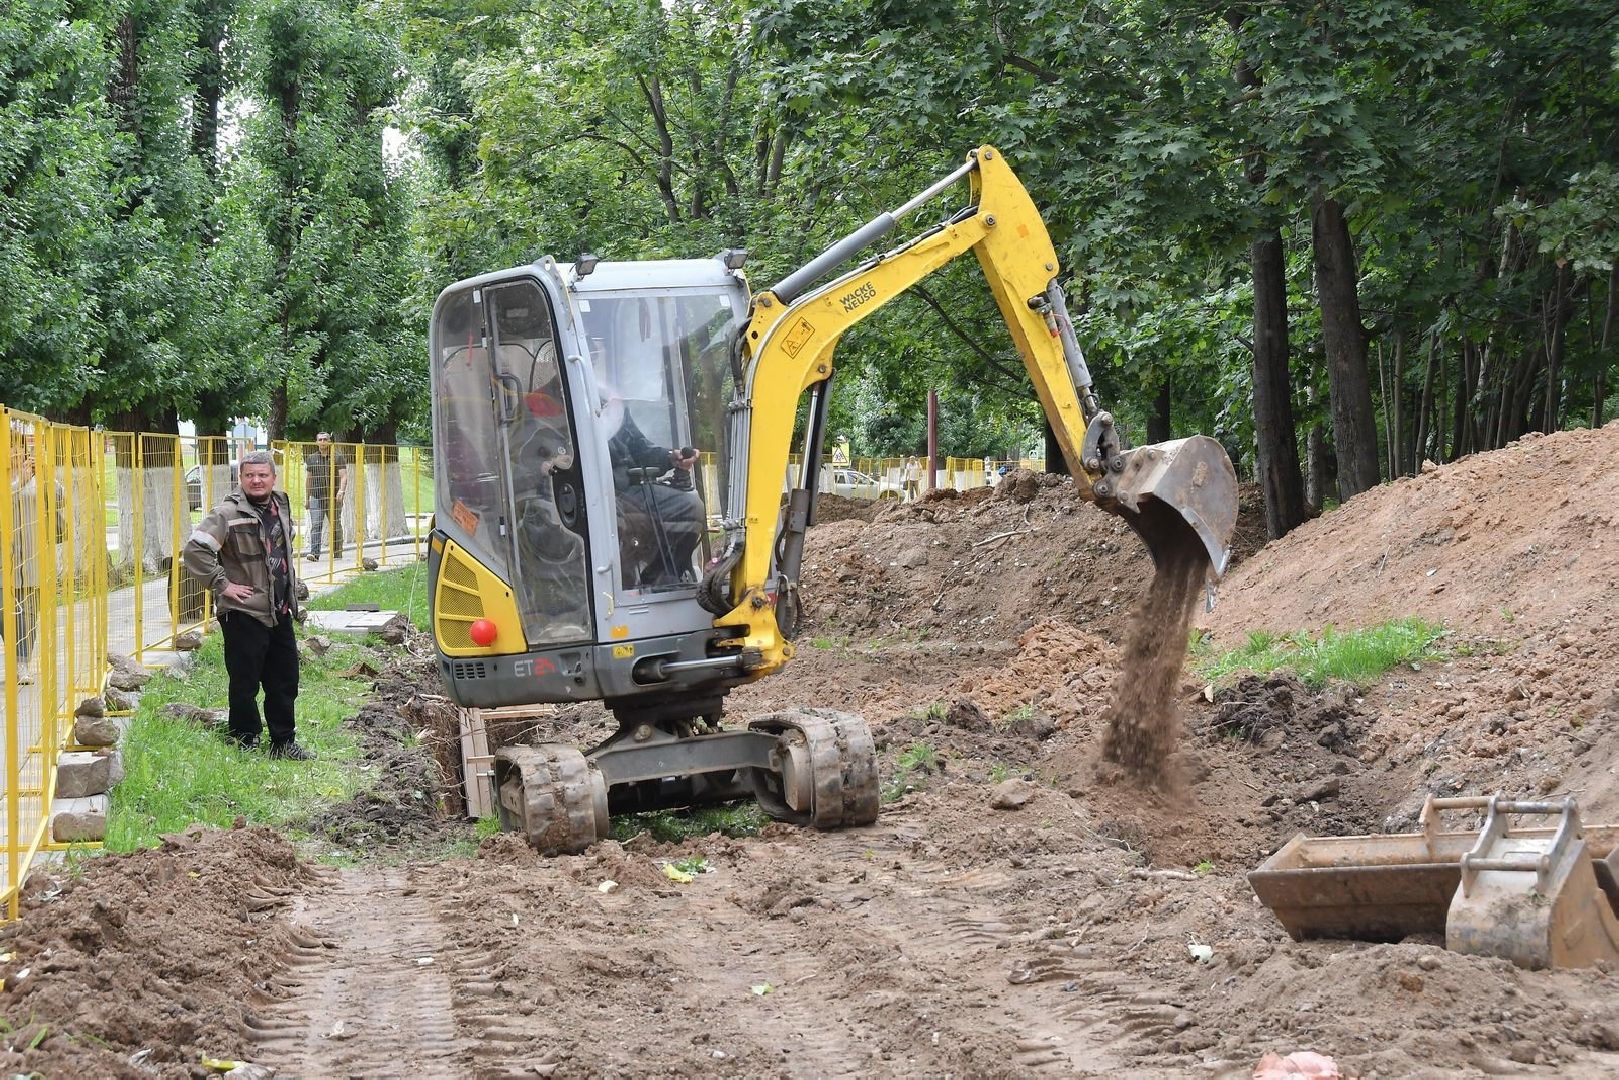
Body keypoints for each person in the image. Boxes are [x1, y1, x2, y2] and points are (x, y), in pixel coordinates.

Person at [183, 450, 313, 759]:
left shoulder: (280, 503)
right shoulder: (226, 513)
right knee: (245, 680)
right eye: (250, 475)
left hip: (279, 608)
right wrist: (223, 585)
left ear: (273, 478)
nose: (256, 480)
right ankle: (244, 739)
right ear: (241, 478)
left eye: (262, 475)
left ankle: (283, 743)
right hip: (243, 612)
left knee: (285, 679)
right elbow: (195, 551)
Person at [607, 409, 703, 587]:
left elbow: (640, 448)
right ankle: (622, 585)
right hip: (597, 493)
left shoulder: (613, 408)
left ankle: (660, 579)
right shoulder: (550, 407)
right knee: (617, 522)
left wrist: (670, 458)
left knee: (690, 506)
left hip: (629, 490)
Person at [303, 432, 349, 561]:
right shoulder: (311, 458)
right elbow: (309, 479)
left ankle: (337, 552)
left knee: (335, 524)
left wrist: (341, 491)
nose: (323, 442)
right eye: (320, 439)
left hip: (334, 497)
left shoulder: (337, 457)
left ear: (330, 441)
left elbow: (344, 476)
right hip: (316, 497)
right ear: (316, 442)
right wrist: (307, 499)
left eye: (325, 439)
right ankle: (314, 553)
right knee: (316, 524)